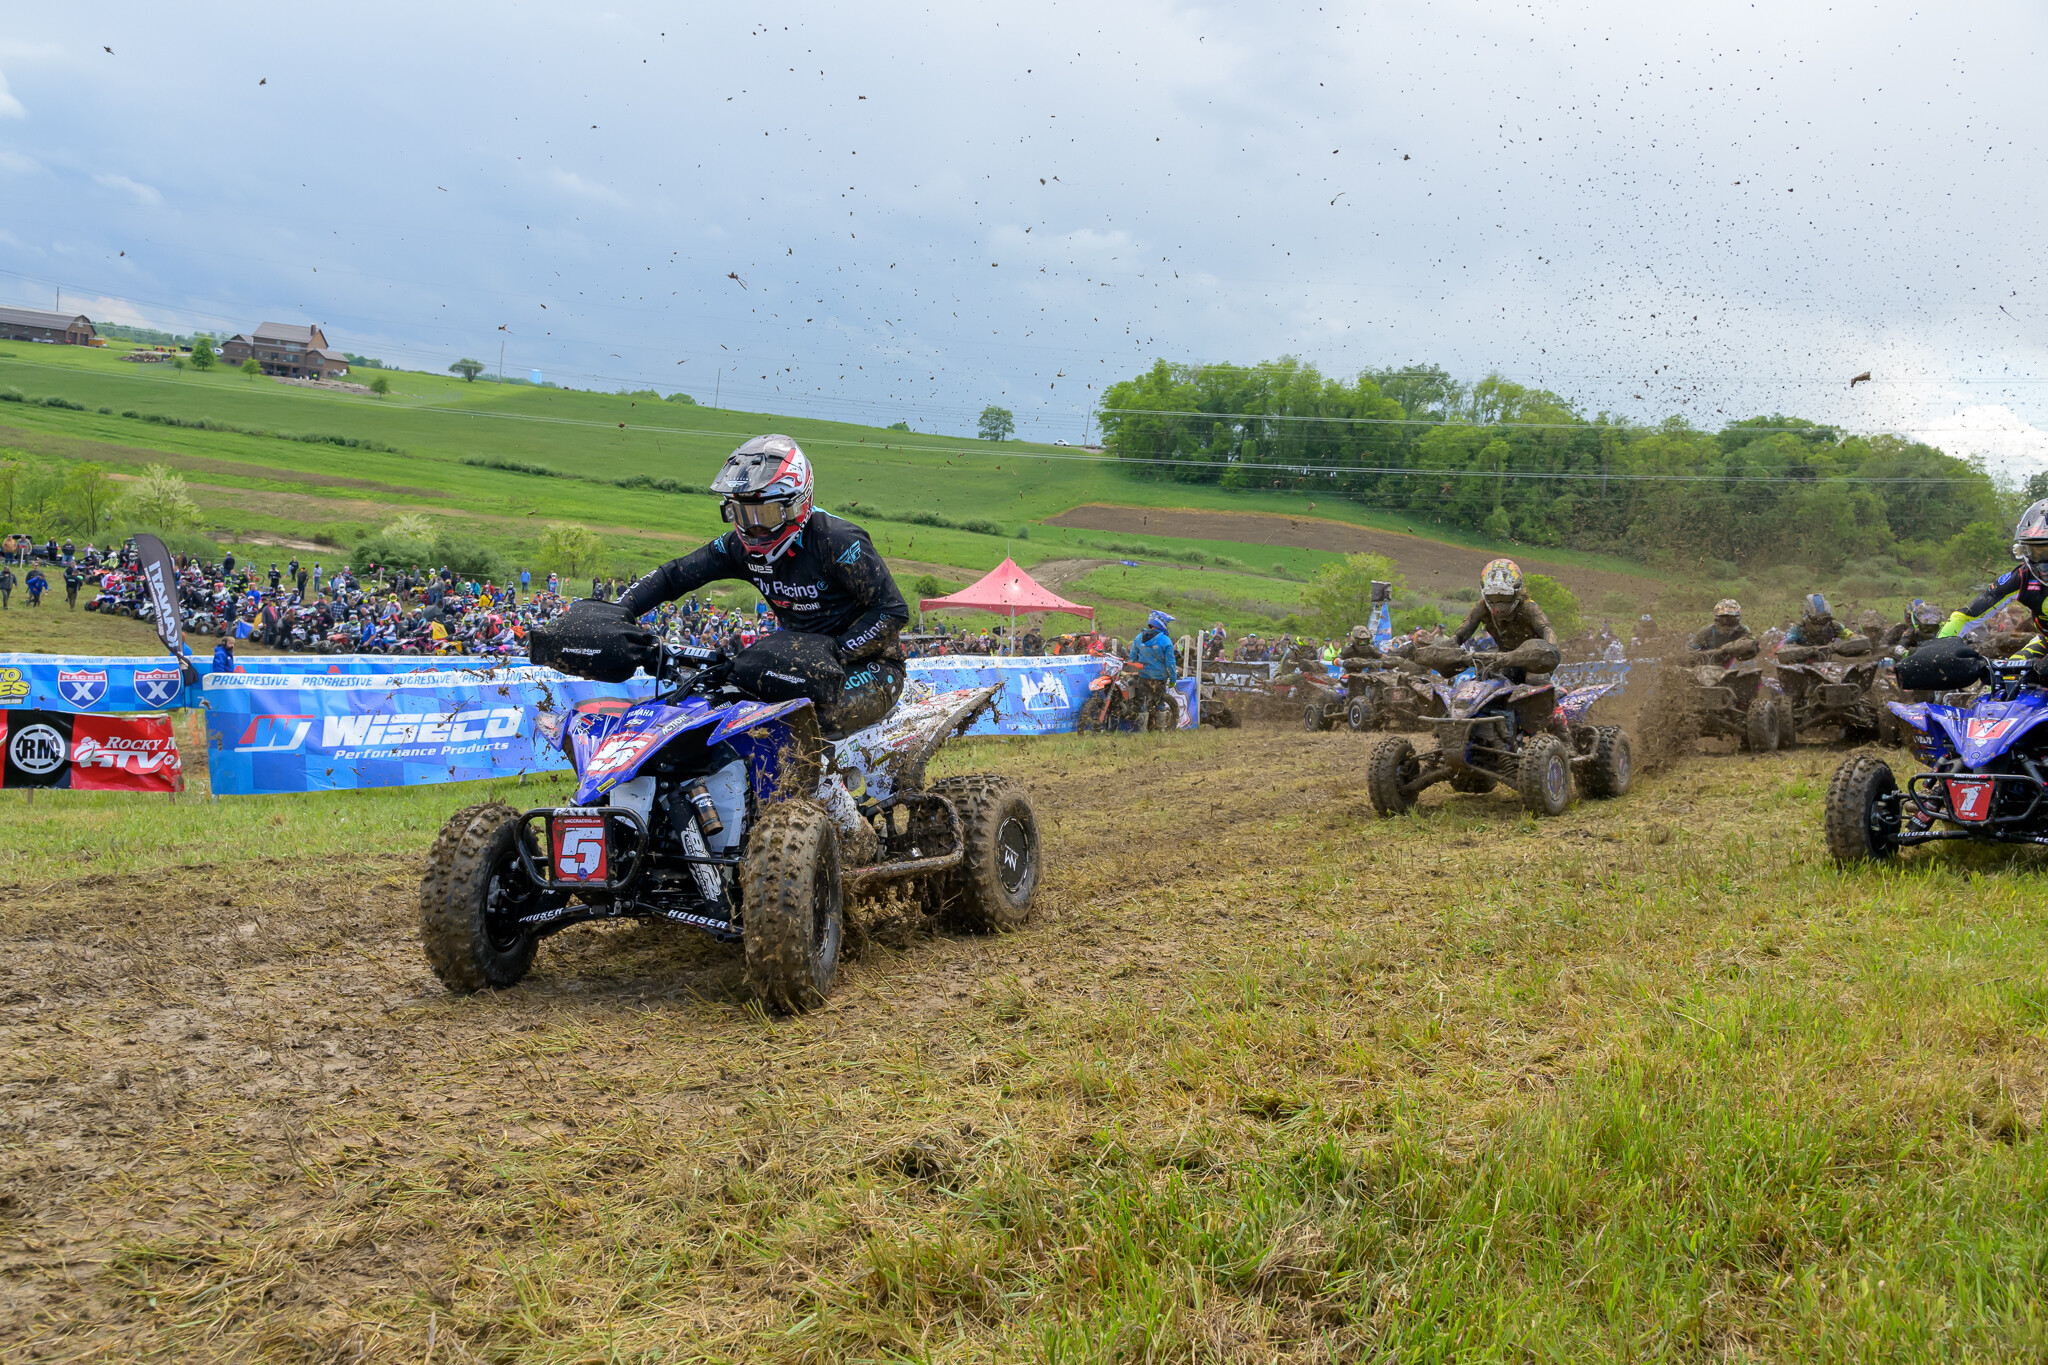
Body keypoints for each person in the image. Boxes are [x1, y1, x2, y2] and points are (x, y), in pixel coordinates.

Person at [609, 434, 910, 737]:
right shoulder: (738, 548)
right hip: (797, 667)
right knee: (727, 708)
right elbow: (674, 575)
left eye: (764, 515)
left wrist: (837, 651)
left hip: (873, 667)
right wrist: (620, 610)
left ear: (796, 504)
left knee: (799, 720)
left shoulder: (837, 541)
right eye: (742, 513)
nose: (754, 527)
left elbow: (892, 610)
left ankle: (821, 785)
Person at [1452, 558, 1557, 677]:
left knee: (1537, 679)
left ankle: (1549, 693)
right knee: (1485, 676)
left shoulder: (1529, 607)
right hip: (1502, 659)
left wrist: (1550, 648)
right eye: (1494, 598)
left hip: (1534, 661)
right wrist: (1448, 645)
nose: (1500, 607)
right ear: (1485, 594)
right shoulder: (1481, 607)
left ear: (1517, 592)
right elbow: (1461, 634)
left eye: (1505, 598)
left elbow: (1547, 629)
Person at [1128, 609, 1179, 731]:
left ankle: (1142, 731)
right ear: (1161, 623)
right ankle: (1161, 729)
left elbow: (1132, 658)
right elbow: (1171, 663)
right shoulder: (1165, 640)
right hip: (1160, 678)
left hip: (1143, 676)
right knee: (1160, 703)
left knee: (1142, 704)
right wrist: (1173, 679)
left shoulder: (1139, 638)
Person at [1688, 598, 1756, 662]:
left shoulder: (1744, 630)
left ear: (1738, 619)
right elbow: (1690, 650)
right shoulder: (1707, 631)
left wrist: (1738, 647)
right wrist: (1713, 653)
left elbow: (1754, 646)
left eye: (1731, 620)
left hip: (1735, 662)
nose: (1727, 624)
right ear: (1716, 619)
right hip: (1711, 663)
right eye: (1723, 619)